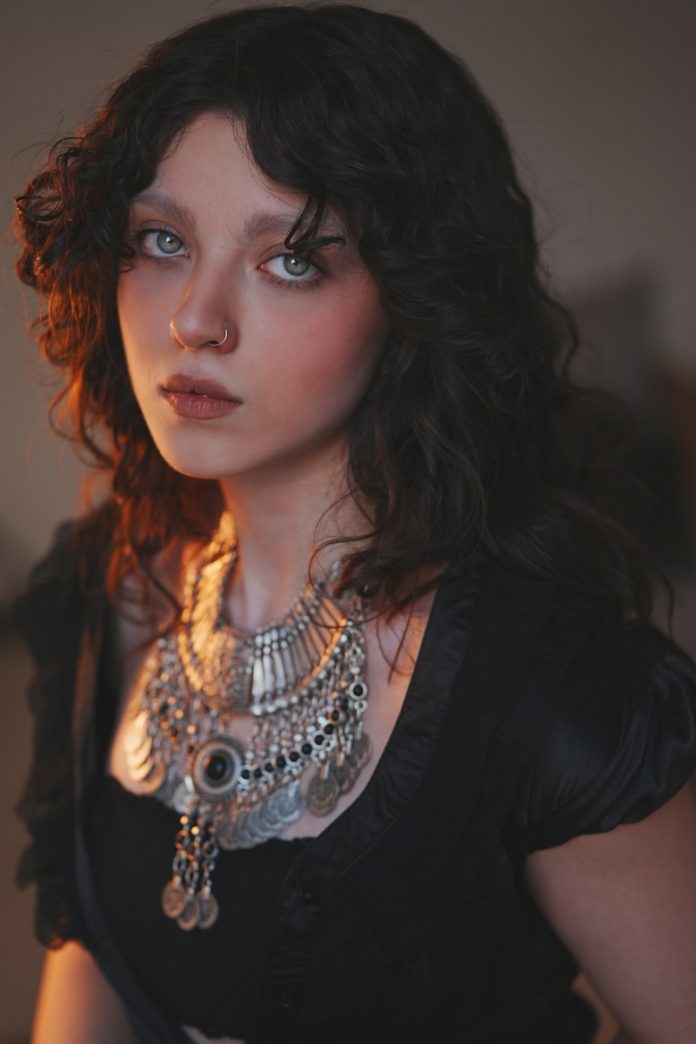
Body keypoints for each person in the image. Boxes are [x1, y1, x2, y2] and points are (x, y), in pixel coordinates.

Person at [11, 4, 696, 1043]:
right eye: (161, 240)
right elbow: (91, 987)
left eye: (291, 258)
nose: (196, 318)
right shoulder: (111, 588)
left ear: (415, 297)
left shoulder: (552, 695)